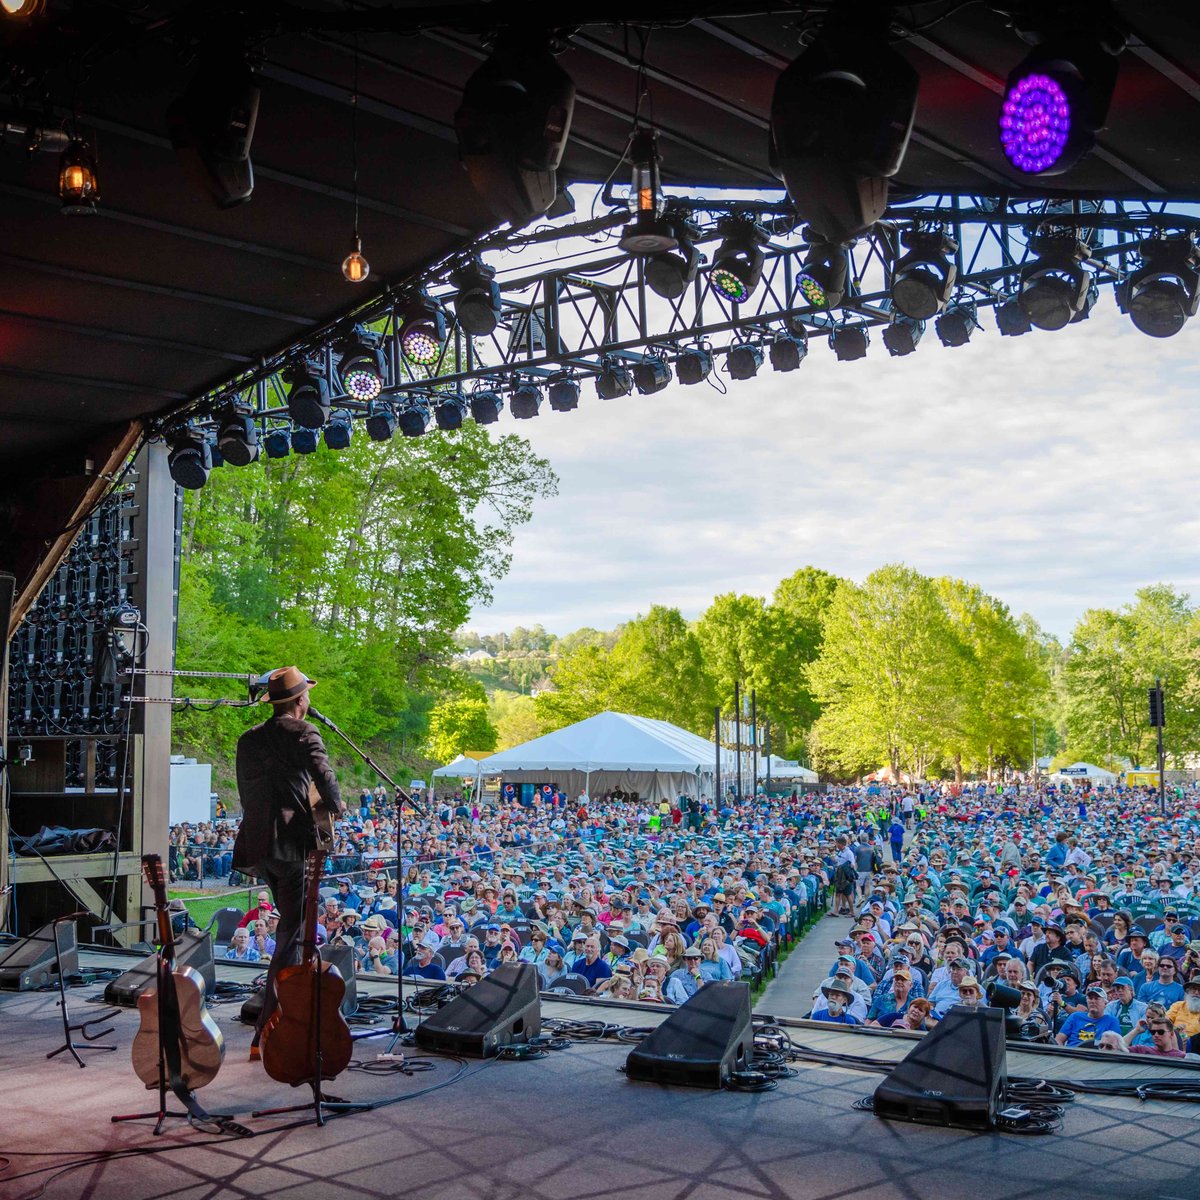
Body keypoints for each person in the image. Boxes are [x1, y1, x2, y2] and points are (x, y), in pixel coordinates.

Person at [232, 666, 344, 1061]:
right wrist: (336, 806)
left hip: (259, 848)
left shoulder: (248, 740)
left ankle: (288, 1017)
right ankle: (268, 1029)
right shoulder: (304, 732)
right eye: (306, 696)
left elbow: (257, 791)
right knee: (291, 938)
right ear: (300, 702)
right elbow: (324, 778)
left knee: (293, 932)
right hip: (293, 848)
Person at [1056, 985, 1122, 1049]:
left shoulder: (1111, 1021)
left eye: (1096, 999)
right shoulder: (1075, 1017)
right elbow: (1058, 1040)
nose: (1093, 1001)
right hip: (1072, 1054)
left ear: (1105, 1003)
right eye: (1090, 998)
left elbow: (1114, 1046)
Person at [1165, 976, 1200, 1042]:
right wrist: (1175, 1029)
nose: (1196, 993)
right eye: (1194, 989)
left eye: (1199, 990)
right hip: (1175, 1039)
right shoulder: (1178, 1005)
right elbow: (1166, 1022)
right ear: (1188, 991)